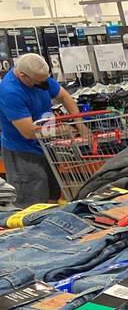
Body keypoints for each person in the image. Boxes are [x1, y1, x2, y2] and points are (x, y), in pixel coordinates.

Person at [0, 53, 78, 207]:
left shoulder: (38, 77)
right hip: (23, 153)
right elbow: (28, 132)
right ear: (23, 76)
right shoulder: (10, 92)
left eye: (45, 81)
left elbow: (64, 97)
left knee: (52, 196)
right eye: (39, 83)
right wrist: (61, 130)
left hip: (46, 147)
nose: (45, 85)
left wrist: (80, 123)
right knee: (32, 203)